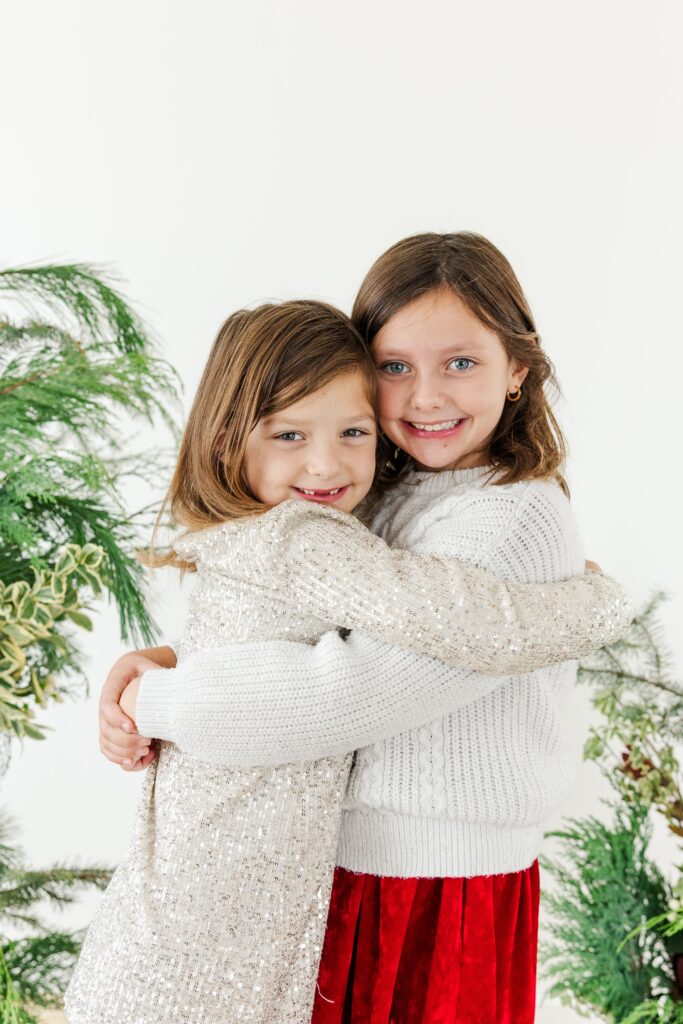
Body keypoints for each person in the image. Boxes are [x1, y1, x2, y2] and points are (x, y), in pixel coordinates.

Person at [96, 235, 633, 1024]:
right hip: (341, 873)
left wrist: (157, 701)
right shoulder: (376, 490)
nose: (424, 397)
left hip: (433, 889)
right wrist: (169, 658)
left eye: (459, 363)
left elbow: (340, 692)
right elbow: (307, 630)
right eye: (394, 367)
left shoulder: (512, 519)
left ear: (517, 368)